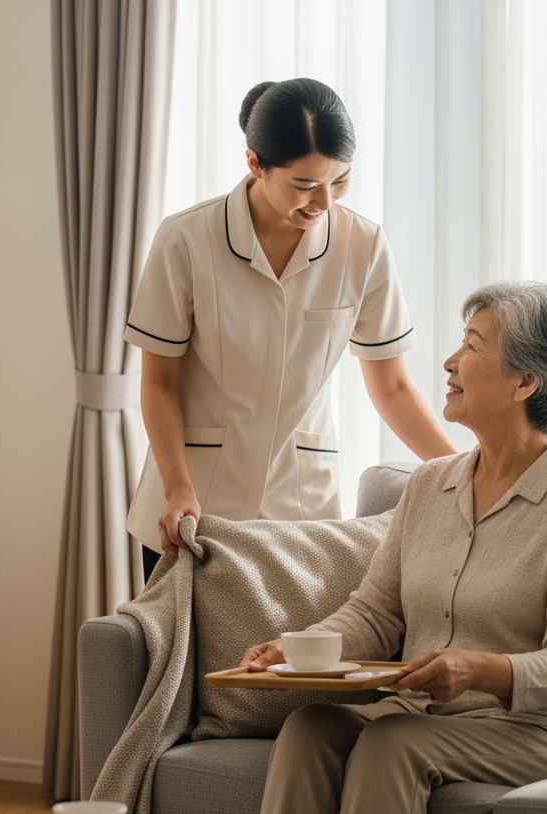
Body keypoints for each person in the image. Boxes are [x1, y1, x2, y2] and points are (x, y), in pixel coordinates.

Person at [240, 281, 547, 814]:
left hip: (546, 730)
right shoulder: (427, 485)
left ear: (526, 383)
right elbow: (375, 613)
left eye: (472, 345)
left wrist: (481, 670)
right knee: (310, 726)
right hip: (425, 714)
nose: (449, 362)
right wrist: (297, 649)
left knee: (393, 742)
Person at [125, 78, 455, 580]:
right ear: (255, 163)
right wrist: (177, 487)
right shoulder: (186, 238)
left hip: (301, 513)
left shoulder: (363, 245)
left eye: (339, 181)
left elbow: (392, 386)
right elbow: (159, 382)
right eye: (304, 185)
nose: (324, 201)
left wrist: (468, 475)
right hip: (190, 508)